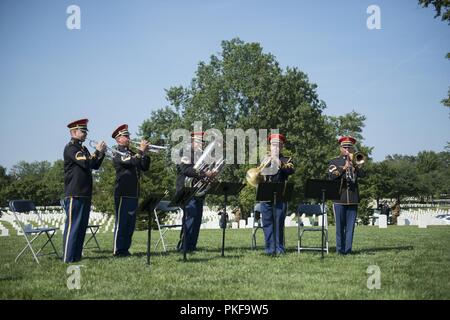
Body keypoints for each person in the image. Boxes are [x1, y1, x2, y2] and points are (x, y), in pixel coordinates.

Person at [63, 118, 106, 263]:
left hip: (85, 192)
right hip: (74, 192)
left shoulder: (83, 149)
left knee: (81, 228)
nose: (85, 134)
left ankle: (76, 256)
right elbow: (86, 162)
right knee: (73, 227)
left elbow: (94, 165)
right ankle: (68, 258)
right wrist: (97, 151)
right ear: (74, 132)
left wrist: (101, 154)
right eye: (83, 131)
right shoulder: (71, 148)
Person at [112, 124, 150, 257]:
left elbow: (144, 167)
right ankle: (118, 250)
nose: (129, 138)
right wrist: (140, 152)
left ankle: (125, 249)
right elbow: (130, 163)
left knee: (130, 224)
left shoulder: (133, 153)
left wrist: (145, 154)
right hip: (122, 192)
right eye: (126, 136)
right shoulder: (117, 152)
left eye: (128, 135)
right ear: (118, 139)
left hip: (134, 192)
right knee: (122, 223)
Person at [175, 132, 216, 252]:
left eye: (202, 142)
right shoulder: (185, 153)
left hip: (198, 190)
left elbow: (204, 171)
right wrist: (204, 173)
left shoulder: (202, 155)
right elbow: (185, 169)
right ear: (192, 141)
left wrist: (211, 173)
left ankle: (192, 246)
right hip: (186, 190)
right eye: (199, 142)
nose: (202, 145)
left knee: (197, 218)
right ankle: (184, 246)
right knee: (190, 217)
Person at [328, 136, 365, 255]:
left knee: (350, 228)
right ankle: (340, 250)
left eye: (350, 147)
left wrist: (356, 166)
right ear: (340, 148)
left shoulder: (356, 161)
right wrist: (344, 167)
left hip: (353, 198)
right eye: (345, 147)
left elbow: (363, 175)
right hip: (339, 198)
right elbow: (332, 176)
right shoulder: (334, 161)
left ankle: (348, 250)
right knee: (339, 227)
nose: (347, 149)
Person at [259, 133, 295, 255]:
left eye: (278, 145)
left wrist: (277, 160)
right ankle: (269, 249)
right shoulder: (265, 159)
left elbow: (290, 170)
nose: (276, 147)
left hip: (281, 194)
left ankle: (279, 249)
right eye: (273, 145)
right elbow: (260, 177)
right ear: (270, 146)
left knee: (279, 222)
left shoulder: (287, 160)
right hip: (265, 193)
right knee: (267, 222)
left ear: (282, 146)